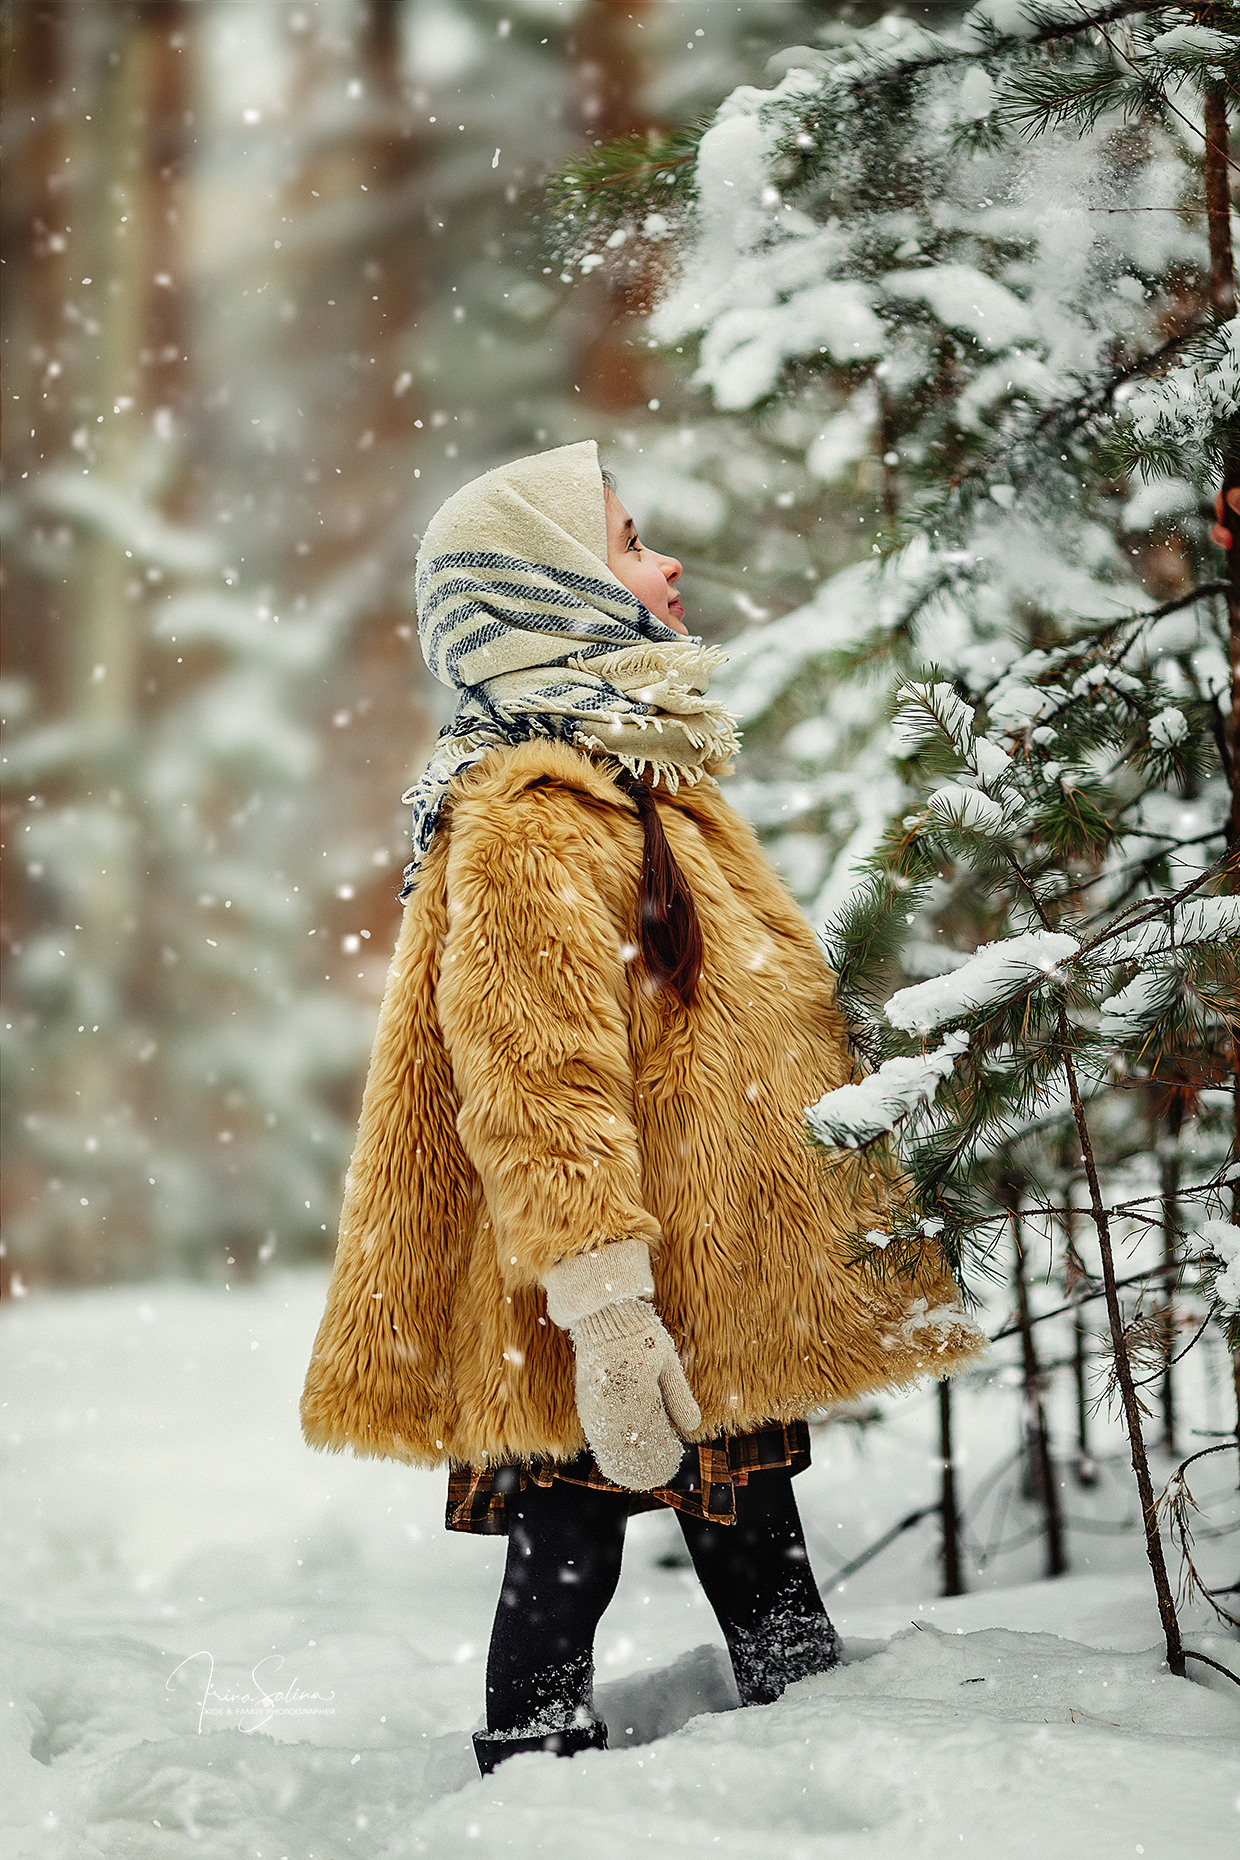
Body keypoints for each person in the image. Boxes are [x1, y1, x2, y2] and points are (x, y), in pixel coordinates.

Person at [300, 441, 985, 1774]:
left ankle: (828, 1772)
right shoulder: (534, 821)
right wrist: (609, 1319)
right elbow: (537, 1087)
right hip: (600, 1295)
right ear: (550, 597)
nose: (665, 565)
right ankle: (533, 1784)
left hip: (705, 1282)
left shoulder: (646, 787)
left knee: (751, 1535)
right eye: (626, 543)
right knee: (570, 1548)